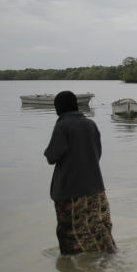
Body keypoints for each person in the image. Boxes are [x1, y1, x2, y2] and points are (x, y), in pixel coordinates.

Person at [44, 91, 116, 255]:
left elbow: (52, 156)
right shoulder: (90, 124)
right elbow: (97, 153)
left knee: (69, 232)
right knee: (98, 227)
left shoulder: (63, 125)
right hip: (96, 188)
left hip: (70, 191)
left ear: (59, 108)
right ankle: (108, 256)